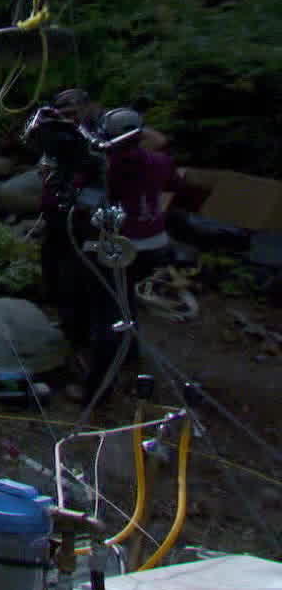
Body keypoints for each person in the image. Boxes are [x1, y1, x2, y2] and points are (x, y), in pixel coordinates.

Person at [71, 107, 211, 401]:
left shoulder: (108, 166)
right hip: (156, 244)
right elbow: (176, 185)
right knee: (125, 299)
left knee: (106, 314)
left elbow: (83, 196)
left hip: (122, 246)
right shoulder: (160, 161)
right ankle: (129, 354)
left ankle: (97, 390)